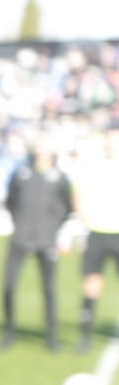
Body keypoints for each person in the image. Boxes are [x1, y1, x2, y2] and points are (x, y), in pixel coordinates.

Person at [0, 131, 73, 352]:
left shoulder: (59, 176)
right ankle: (9, 331)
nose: (41, 148)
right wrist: (20, 223)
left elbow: (67, 206)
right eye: (39, 144)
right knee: (8, 286)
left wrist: (53, 228)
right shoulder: (21, 173)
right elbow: (10, 201)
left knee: (49, 290)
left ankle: (51, 336)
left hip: (46, 239)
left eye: (45, 144)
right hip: (20, 238)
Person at [73, 125, 119, 353]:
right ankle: (85, 335)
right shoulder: (94, 168)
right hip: (97, 232)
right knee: (92, 284)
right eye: (110, 141)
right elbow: (78, 196)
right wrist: (82, 226)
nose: (113, 145)